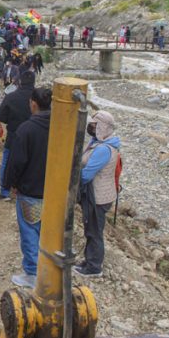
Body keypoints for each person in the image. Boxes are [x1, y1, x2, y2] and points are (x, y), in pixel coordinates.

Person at [4, 87, 52, 289]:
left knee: (30, 232)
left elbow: (16, 162)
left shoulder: (26, 129)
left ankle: (32, 274)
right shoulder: (60, 127)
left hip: (30, 191)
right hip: (54, 192)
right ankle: (49, 270)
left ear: (33, 103)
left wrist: (11, 183)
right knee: (49, 233)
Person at [74, 111, 120, 278]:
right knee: (91, 229)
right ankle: (89, 261)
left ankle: (94, 267)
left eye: (94, 125)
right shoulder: (98, 143)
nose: (91, 128)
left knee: (94, 231)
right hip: (98, 194)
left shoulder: (103, 150)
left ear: (103, 128)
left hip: (98, 197)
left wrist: (73, 177)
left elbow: (87, 175)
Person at [0, 70, 35, 201]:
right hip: (34, 136)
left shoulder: (11, 97)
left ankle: (4, 191)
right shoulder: (39, 97)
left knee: (7, 162)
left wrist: (11, 120)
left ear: (20, 82)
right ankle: (26, 191)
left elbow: (1, 116)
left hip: (14, 134)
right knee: (32, 163)